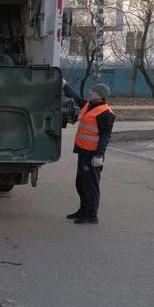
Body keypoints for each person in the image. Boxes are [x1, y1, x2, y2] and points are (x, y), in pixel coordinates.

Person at [63, 81, 116, 224]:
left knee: (90, 185)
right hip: (83, 151)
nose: (89, 93)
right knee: (80, 183)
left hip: (93, 154)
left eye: (92, 91)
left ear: (99, 95)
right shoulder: (89, 105)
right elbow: (75, 96)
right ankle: (83, 210)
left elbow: (105, 136)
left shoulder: (106, 113)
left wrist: (99, 156)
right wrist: (65, 85)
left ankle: (92, 215)